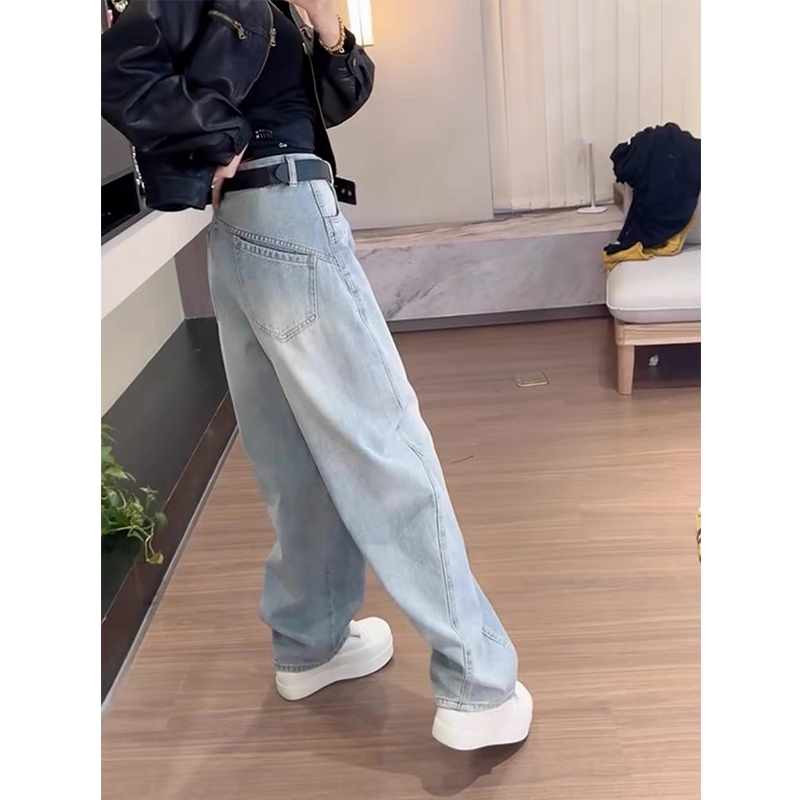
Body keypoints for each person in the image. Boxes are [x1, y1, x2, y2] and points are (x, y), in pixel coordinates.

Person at [101, 0, 532, 750]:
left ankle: (311, 642)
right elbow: (121, 66)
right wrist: (221, 138)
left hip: (246, 231)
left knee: (292, 457)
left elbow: (333, 98)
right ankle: (478, 680)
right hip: (287, 216)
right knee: (384, 442)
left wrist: (328, 26)